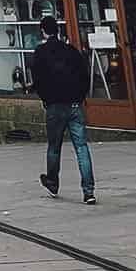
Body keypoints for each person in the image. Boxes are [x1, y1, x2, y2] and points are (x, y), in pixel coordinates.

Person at [30, 15, 96, 204]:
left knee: (54, 147)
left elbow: (38, 79)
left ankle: (52, 181)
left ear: (43, 31)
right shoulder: (71, 51)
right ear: (58, 31)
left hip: (55, 106)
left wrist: (46, 99)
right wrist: (80, 97)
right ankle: (88, 191)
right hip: (75, 105)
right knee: (82, 148)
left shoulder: (41, 52)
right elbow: (84, 76)